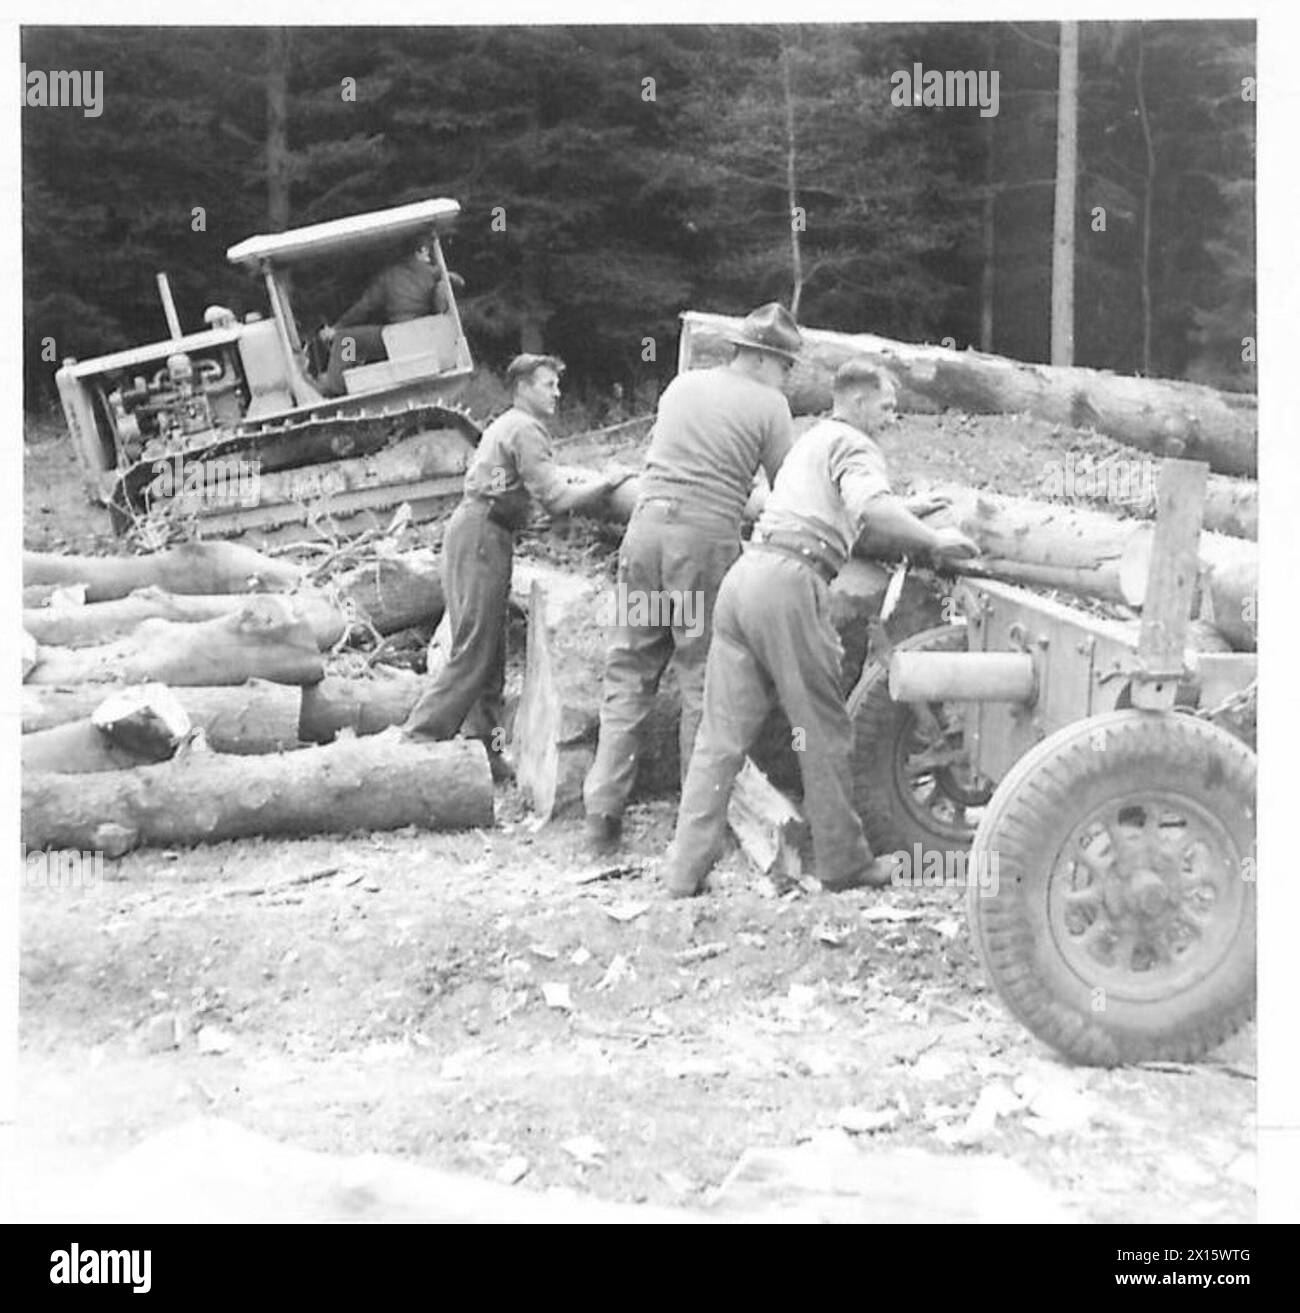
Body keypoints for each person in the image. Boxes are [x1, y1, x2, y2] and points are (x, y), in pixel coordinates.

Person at [661, 359, 980, 898]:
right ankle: (844, 863)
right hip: (791, 586)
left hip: (745, 580)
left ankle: (683, 872)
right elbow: (870, 510)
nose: (890, 419)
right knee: (825, 728)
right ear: (856, 402)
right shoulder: (856, 445)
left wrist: (907, 507)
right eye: (886, 407)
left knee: (720, 738)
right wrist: (934, 540)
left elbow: (840, 508)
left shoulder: (813, 441)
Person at [582, 302, 801, 854]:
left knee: (630, 667)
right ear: (764, 359)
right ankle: (696, 822)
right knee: (704, 674)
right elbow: (787, 491)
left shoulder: (681, 387)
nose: (787, 377)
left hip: (644, 534)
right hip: (702, 547)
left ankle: (601, 818)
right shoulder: (771, 405)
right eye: (786, 365)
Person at [402, 354, 622, 775]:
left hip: (483, 532)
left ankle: (485, 753)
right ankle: (418, 740)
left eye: (557, 385)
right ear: (523, 388)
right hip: (483, 535)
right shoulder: (524, 429)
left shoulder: (508, 425)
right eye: (548, 385)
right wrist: (606, 484)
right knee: (475, 650)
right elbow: (555, 498)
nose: (557, 393)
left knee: (492, 651)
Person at [319, 230, 461, 396]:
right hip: (427, 338)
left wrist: (337, 328)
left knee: (347, 339)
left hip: (397, 340)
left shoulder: (389, 276)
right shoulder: (435, 274)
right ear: (420, 251)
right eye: (427, 251)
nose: (429, 256)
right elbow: (460, 282)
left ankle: (335, 387)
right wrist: (448, 277)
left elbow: (364, 307)